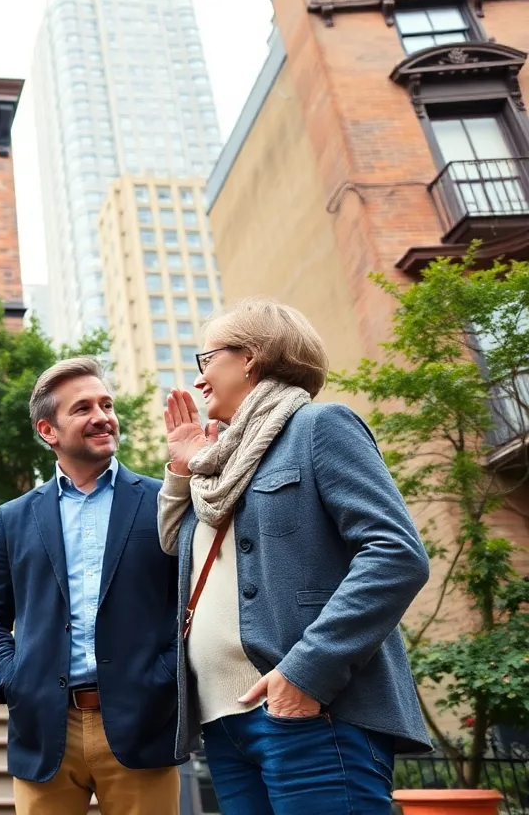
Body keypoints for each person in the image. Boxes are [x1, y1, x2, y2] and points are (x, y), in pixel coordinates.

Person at [159, 297, 433, 814]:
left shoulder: (319, 428)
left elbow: (396, 555)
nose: (199, 380)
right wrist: (183, 469)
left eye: (207, 360)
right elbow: (173, 550)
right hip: (224, 725)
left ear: (250, 358)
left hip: (309, 712)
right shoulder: (217, 465)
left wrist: (306, 673)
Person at [0, 356, 183, 815]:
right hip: (45, 727)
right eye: (83, 408)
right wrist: (12, 679)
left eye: (106, 404)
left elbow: (192, 600)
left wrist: (165, 676)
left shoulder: (162, 501)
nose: (103, 416)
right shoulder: (14, 517)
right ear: (48, 431)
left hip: (142, 721)